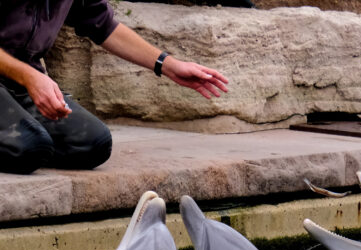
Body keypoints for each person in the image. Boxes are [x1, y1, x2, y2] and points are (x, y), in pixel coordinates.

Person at [0, 0, 228, 174]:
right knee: (28, 148)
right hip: (21, 77)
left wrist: (167, 65)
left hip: (22, 83)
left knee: (92, 144)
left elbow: (103, 25)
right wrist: (30, 76)